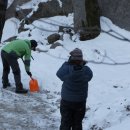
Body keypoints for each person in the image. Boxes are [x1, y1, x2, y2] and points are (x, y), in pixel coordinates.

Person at [56, 48, 93, 130]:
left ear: (71, 58)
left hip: (66, 101)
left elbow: (59, 74)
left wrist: (67, 63)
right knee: (77, 123)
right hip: (80, 101)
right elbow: (90, 77)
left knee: (65, 122)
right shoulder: (87, 70)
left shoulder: (66, 68)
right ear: (81, 59)